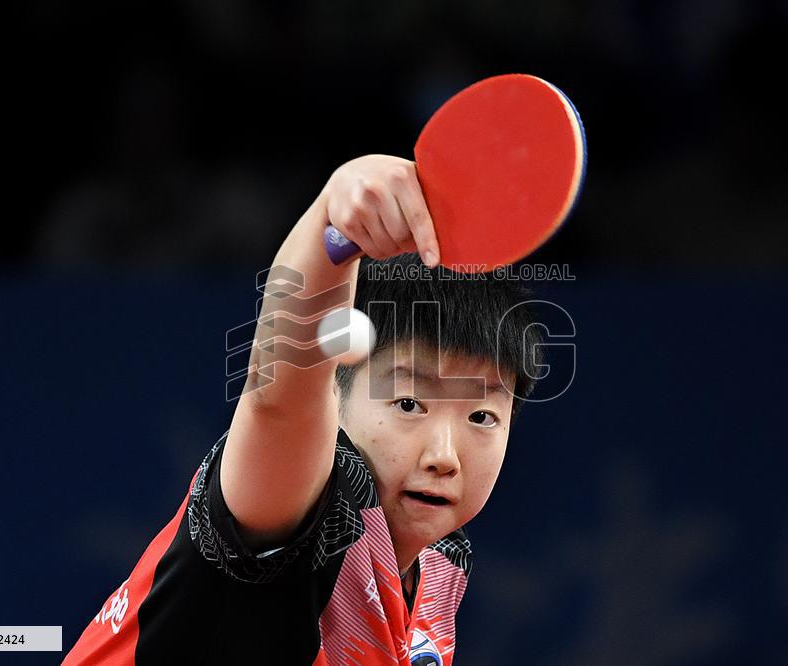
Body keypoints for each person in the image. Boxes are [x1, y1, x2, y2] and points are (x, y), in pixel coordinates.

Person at [64, 154, 543, 665]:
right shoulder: (308, 507)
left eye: (482, 417)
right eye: (409, 403)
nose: (444, 455)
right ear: (332, 398)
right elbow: (277, 405)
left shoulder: (440, 567)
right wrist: (331, 227)